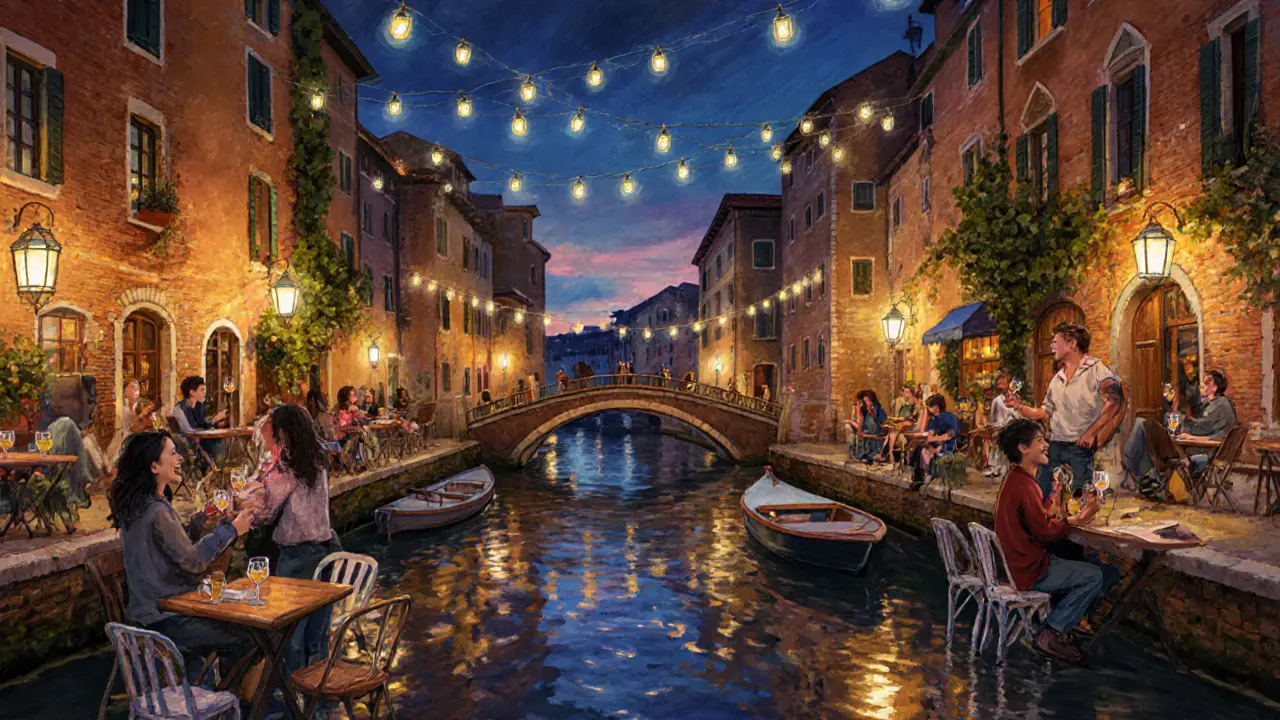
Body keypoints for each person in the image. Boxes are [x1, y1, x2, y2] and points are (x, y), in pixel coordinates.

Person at [109, 431, 255, 674]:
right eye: (173, 453)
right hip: (166, 620)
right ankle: (235, 704)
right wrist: (233, 529)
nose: (180, 459)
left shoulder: (138, 504)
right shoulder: (157, 511)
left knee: (233, 628)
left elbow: (174, 542)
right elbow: (193, 560)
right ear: (154, 466)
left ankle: (215, 693)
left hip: (145, 616)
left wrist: (205, 515)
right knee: (247, 639)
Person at [994, 419, 1105, 663]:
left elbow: (1036, 520)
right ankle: (1053, 631)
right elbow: (1044, 532)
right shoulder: (1024, 485)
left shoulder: (1017, 479)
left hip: (1015, 565)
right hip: (1028, 570)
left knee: (1076, 559)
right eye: (1039, 441)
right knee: (1095, 575)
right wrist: (1078, 519)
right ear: (1023, 448)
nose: (1046, 445)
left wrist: (1054, 498)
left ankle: (1063, 625)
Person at [243, 404, 340, 675]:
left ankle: (292, 700)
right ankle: (316, 701)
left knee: (290, 637)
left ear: (282, 435)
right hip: (326, 550)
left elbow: (265, 512)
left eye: (271, 435)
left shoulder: (285, 466)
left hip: (297, 558)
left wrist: (247, 491)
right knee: (318, 635)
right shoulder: (318, 456)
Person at [1010, 322, 1125, 500]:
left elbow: (1115, 400)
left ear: (1072, 343)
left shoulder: (1095, 369)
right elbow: (1044, 412)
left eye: (1056, 341)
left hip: (1079, 448)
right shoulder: (1057, 379)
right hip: (1054, 445)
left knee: (1079, 497)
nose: (1051, 346)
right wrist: (1020, 408)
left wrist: (1091, 433)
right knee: (1041, 494)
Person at [1123, 368, 1236, 491]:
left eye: (1204, 384)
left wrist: (1181, 420)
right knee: (1144, 428)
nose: (1200, 387)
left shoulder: (1219, 405)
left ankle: (1134, 470)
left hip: (1200, 453)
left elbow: (1198, 427)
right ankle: (1140, 474)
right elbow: (1200, 426)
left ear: (1214, 388)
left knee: (1142, 425)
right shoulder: (1217, 404)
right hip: (1199, 449)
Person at [173, 376, 227, 465]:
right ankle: (216, 469)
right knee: (216, 446)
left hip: (201, 440)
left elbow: (203, 425)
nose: (204, 393)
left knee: (219, 442)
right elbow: (188, 430)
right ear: (192, 392)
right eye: (201, 390)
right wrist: (210, 424)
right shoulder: (179, 408)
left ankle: (217, 469)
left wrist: (216, 420)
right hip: (189, 444)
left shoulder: (199, 406)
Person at [911, 394, 959, 488]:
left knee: (925, 450)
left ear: (936, 407)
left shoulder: (949, 418)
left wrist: (932, 439)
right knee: (920, 447)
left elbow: (947, 436)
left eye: (929, 407)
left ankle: (925, 476)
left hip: (947, 445)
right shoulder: (934, 419)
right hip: (937, 444)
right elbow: (929, 431)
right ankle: (920, 477)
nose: (928, 409)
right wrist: (928, 437)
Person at [983, 373, 1020, 478]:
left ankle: (1008, 470)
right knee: (997, 449)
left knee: (1009, 449)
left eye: (1004, 384)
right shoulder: (996, 401)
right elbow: (992, 416)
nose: (1002, 386)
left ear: (1009, 384)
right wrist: (992, 428)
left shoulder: (1015, 398)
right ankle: (996, 469)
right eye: (1000, 384)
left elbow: (1018, 413)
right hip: (998, 428)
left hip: (1011, 428)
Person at [847, 390, 887, 464]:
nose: (867, 403)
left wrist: (874, 417)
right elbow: (860, 425)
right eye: (865, 401)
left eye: (868, 400)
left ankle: (871, 455)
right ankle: (862, 454)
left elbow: (881, 427)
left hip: (875, 436)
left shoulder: (879, 410)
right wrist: (857, 411)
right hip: (865, 435)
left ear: (872, 400)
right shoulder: (864, 411)